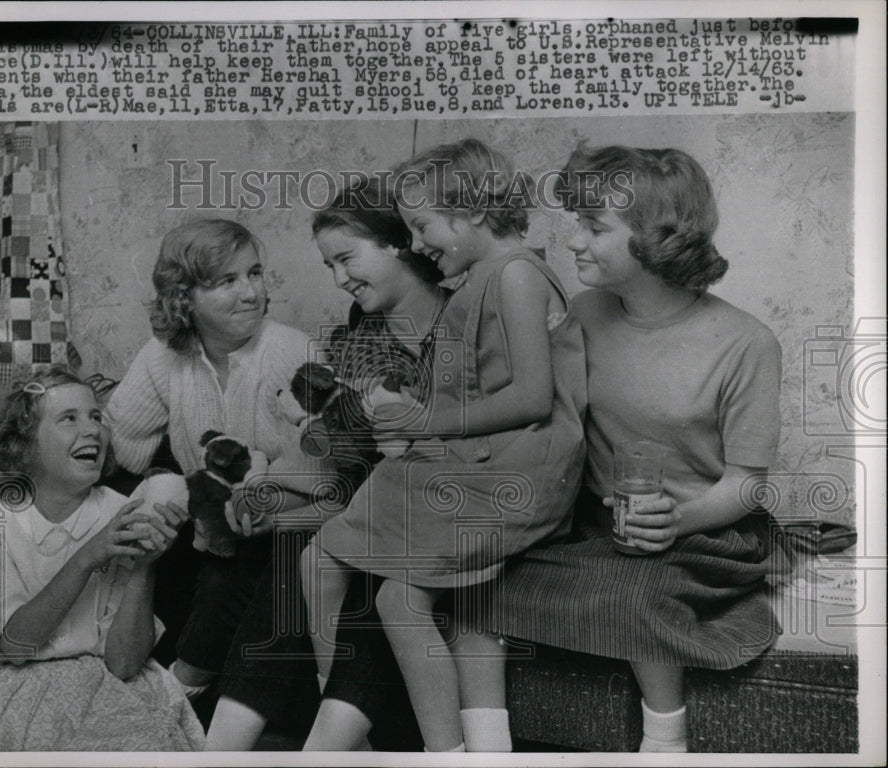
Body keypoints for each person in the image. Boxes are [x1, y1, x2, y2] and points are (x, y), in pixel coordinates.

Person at [301, 139, 588, 752]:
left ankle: (441, 753)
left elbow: (533, 399)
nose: (418, 244)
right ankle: (462, 753)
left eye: (423, 225)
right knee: (381, 587)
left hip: (522, 467)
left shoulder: (514, 276)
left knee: (373, 574)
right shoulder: (483, 279)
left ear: (473, 210)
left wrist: (426, 420)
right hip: (495, 457)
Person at [503, 144, 791, 752]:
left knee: (633, 595)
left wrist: (677, 519)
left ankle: (667, 742)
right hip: (598, 524)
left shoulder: (747, 343)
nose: (575, 241)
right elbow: (544, 421)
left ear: (655, 238)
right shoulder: (583, 313)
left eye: (594, 227)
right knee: (478, 578)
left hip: (707, 529)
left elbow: (747, 483)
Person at [204, 176, 447, 751]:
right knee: (291, 548)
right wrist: (274, 497)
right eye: (329, 266)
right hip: (370, 500)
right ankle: (219, 750)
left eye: (347, 259)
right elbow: (337, 451)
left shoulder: (463, 324)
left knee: (365, 567)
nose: (339, 279)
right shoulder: (361, 336)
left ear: (400, 244)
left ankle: (329, 750)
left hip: (439, 509)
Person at [105, 219, 327, 702]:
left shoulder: (291, 350)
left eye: (254, 273)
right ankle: (137, 669)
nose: (251, 292)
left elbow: (328, 470)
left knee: (238, 554)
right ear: (185, 298)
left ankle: (185, 682)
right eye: (227, 281)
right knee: (148, 523)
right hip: (212, 518)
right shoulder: (167, 353)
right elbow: (125, 442)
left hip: (290, 520)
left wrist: (264, 500)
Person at [0, 367, 203, 751]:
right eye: (69, 418)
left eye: (96, 417)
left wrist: (145, 565)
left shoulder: (121, 511)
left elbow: (123, 665)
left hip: (110, 687)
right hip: (21, 686)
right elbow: (15, 647)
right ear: (24, 443)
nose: (91, 430)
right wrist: (87, 556)